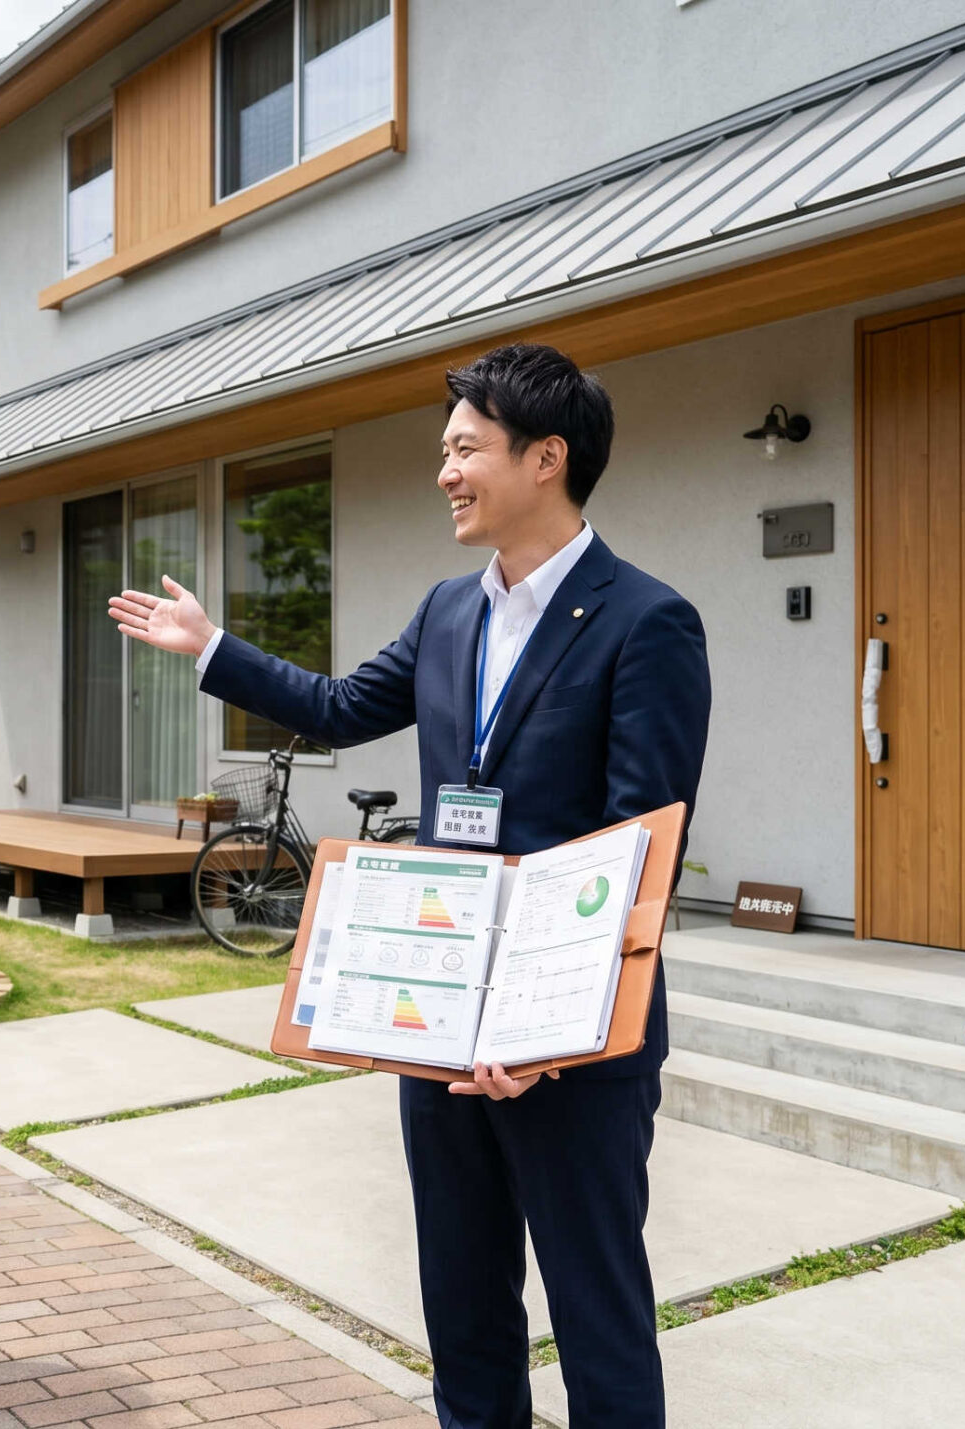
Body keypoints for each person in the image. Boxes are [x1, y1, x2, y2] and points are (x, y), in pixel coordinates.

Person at [109, 343, 709, 1428]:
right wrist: (212, 649)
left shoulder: (644, 620)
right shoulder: (448, 610)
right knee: (463, 1299)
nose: (445, 471)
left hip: (570, 1043)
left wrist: (544, 1030)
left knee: (594, 1308)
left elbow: (634, 847)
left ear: (546, 458)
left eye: (465, 448)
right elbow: (339, 705)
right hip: (436, 1022)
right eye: (445, 450)